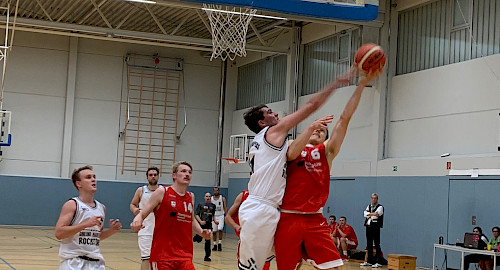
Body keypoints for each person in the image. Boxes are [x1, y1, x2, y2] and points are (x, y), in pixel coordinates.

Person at [240, 68, 355, 270]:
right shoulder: (271, 133)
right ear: (262, 122)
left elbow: (293, 153)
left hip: (274, 210)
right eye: (269, 112)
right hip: (261, 208)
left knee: (267, 263)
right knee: (251, 268)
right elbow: (311, 105)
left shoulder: (276, 144)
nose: (275, 113)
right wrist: (336, 82)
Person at [275, 70, 380, 270]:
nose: (318, 130)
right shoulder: (291, 145)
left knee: (333, 267)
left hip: (314, 217)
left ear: (325, 137)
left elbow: (344, 119)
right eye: (315, 127)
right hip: (287, 216)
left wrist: (360, 86)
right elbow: (292, 154)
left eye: (322, 130)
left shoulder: (327, 151)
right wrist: (309, 128)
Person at [130, 161, 211, 270]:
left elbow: (191, 220)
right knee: (145, 259)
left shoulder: (190, 196)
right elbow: (142, 213)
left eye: (189, 172)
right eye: (183, 171)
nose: (187, 174)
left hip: (185, 255)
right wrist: (137, 221)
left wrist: (202, 232)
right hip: (163, 256)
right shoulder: (162, 192)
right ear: (174, 175)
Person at [55, 165, 122, 270]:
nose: (93, 180)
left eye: (94, 177)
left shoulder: (101, 207)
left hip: (96, 262)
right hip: (73, 262)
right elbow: (59, 233)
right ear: (79, 183)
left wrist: (112, 230)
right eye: (88, 177)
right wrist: (85, 224)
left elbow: (96, 237)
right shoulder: (72, 204)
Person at [225, 190, 271, 270]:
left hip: (263, 243)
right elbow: (228, 217)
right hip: (246, 243)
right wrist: (236, 226)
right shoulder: (243, 195)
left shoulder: (269, 196)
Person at [129, 166, 161, 270]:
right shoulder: (141, 190)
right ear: (147, 177)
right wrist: (136, 211)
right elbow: (132, 204)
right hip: (145, 229)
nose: (153, 177)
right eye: (151, 175)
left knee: (159, 260)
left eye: (155, 175)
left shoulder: (163, 191)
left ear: (158, 177)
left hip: (160, 230)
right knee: (146, 258)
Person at [362, 193, 384, 268]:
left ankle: (378, 261)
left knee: (377, 243)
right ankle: (369, 261)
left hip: (376, 227)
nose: (373, 199)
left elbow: (377, 215)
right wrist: (372, 214)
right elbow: (365, 214)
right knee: (369, 244)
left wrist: (370, 214)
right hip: (368, 226)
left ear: (377, 199)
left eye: (375, 198)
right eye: (372, 198)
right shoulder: (368, 206)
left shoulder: (380, 207)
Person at [195, 192, 217, 262]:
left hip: (209, 225)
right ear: (204, 197)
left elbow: (213, 215)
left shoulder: (213, 206)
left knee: (207, 240)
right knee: (198, 239)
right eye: (207, 196)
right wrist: (200, 221)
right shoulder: (201, 205)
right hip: (202, 224)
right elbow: (196, 215)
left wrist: (215, 221)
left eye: (209, 196)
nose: (208, 198)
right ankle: (197, 237)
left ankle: (207, 256)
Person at [211, 186, 227, 251]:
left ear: (219, 191)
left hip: (221, 215)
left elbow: (225, 207)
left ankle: (219, 243)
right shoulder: (211, 199)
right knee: (214, 231)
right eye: (214, 191)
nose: (215, 192)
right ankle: (214, 244)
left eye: (217, 190)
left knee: (220, 229)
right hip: (214, 216)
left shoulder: (222, 198)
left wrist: (227, 215)